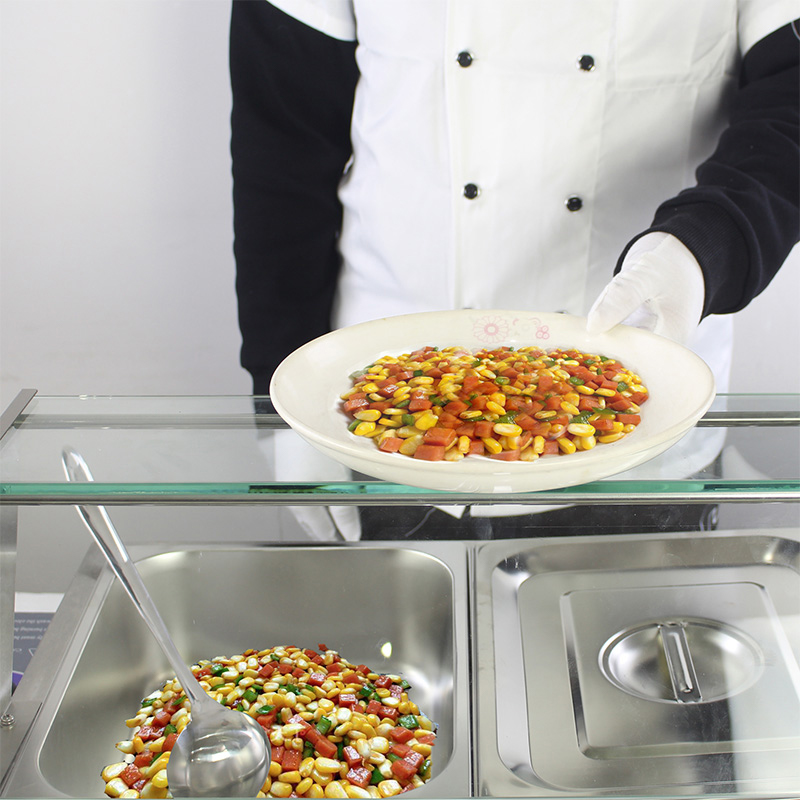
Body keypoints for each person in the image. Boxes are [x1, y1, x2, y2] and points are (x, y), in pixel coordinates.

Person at [229, 1, 799, 540]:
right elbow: (282, 146)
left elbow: (791, 102)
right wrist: (282, 398)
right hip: (372, 417)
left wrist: (707, 247)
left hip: (647, 420)